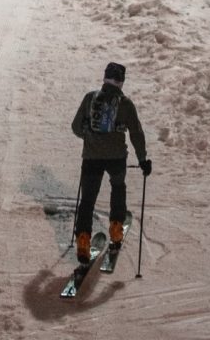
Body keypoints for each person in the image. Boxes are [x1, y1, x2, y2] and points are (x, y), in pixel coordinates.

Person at [71, 60, 152, 266]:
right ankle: (116, 229)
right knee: (118, 188)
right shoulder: (125, 104)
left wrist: (89, 138)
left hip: (91, 158)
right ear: (121, 82)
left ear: (104, 78)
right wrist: (142, 160)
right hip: (117, 158)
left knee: (87, 201)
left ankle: (83, 241)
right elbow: (136, 133)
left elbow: (75, 127)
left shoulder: (90, 98)